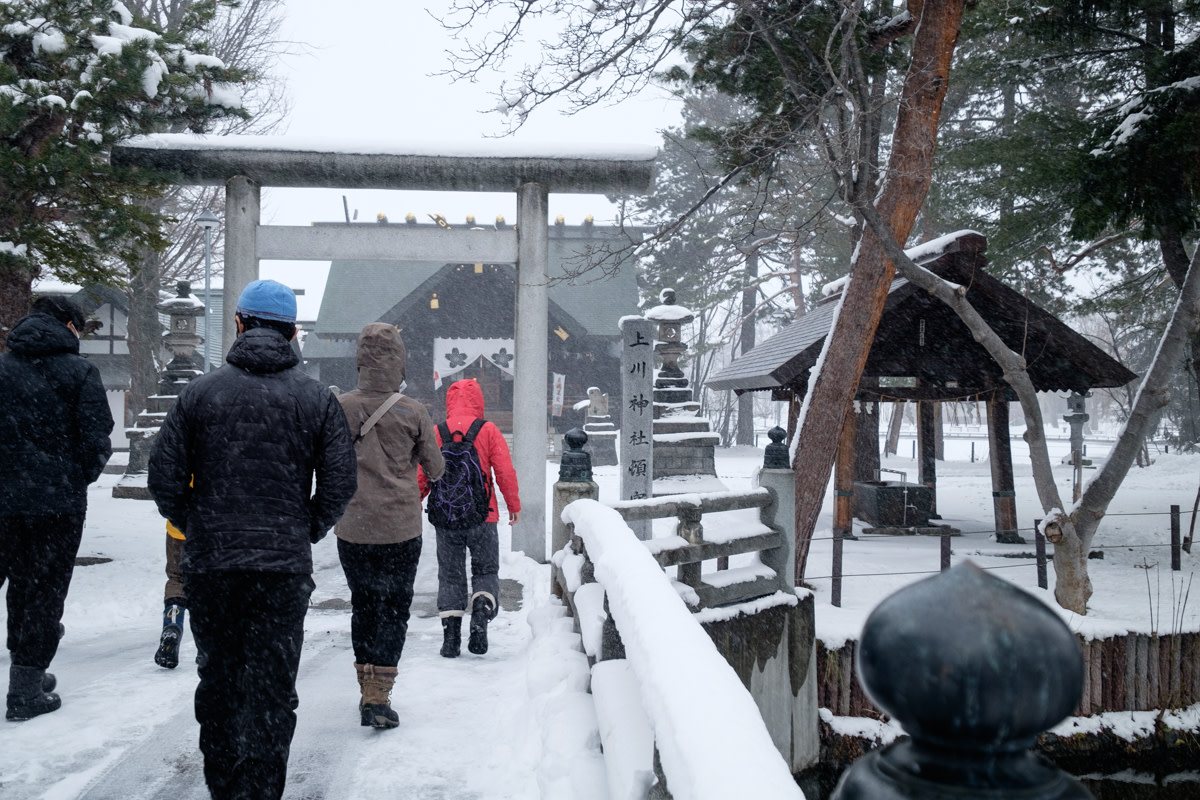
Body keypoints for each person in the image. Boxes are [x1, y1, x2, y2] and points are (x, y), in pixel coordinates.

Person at [147, 279, 356, 800]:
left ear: (239, 323)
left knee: (218, 682)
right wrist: (305, 526)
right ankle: (261, 791)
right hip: (281, 567)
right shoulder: (316, 399)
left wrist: (198, 526)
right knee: (271, 688)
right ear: (292, 333)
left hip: (214, 564)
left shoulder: (200, 393)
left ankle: (224, 786)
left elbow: (164, 475)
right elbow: (339, 481)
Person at [1, 295, 113, 721]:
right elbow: (97, 437)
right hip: (57, 504)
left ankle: (26, 672)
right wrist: (70, 478)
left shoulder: (2, 368)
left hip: (2, 499)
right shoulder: (80, 373)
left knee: (16, 584)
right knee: (43, 590)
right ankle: (26, 685)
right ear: (69, 326)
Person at [334, 323, 444, 729]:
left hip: (354, 526)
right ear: (399, 362)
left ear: (361, 361)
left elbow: (327, 462)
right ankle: (379, 694)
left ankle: (365, 685)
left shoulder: (341, 407)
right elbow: (435, 467)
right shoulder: (413, 411)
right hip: (400, 527)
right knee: (395, 608)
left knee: (363, 604)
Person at [422, 378, 520, 658]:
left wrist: (416, 497)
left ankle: (451, 638)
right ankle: (481, 611)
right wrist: (513, 504)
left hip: (446, 516)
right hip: (483, 515)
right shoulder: (488, 430)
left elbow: (424, 471)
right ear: (479, 401)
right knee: (486, 571)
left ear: (449, 403)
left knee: (450, 575)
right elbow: (504, 471)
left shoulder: (437, 431)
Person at [153, 520, 187, 669]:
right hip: (213, 529)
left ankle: (172, 624)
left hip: (178, 529)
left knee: (177, 579)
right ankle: (206, 646)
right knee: (209, 580)